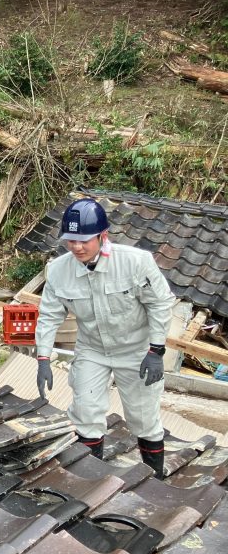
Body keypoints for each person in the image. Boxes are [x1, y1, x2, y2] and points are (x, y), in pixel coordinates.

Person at [35, 198, 174, 478]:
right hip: (92, 349)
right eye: (70, 240)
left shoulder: (135, 262)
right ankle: (90, 480)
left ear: (103, 236)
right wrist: (43, 357)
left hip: (136, 349)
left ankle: (154, 481)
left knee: (143, 418)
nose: (76, 247)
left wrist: (156, 350)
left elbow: (160, 304)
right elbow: (49, 315)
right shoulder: (59, 270)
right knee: (85, 413)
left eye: (84, 240)